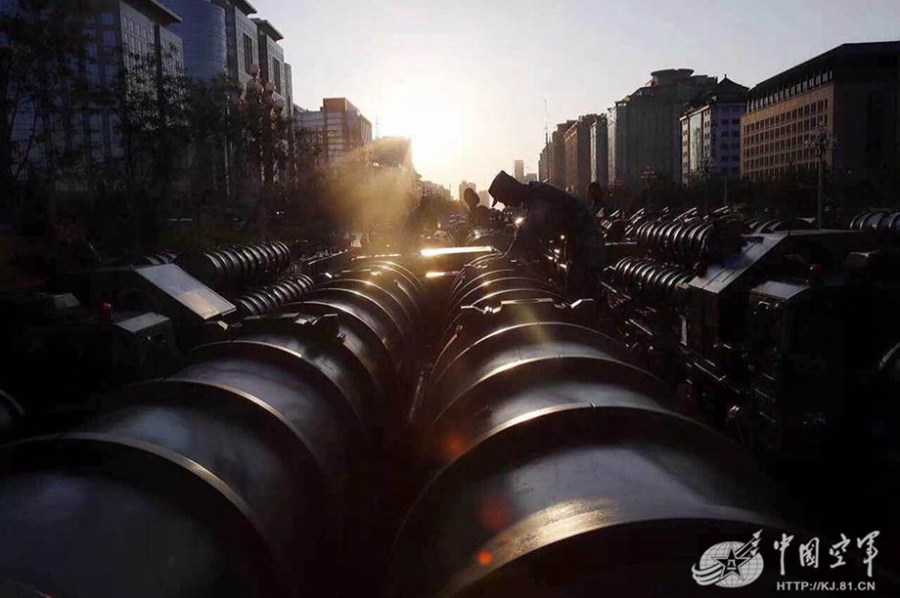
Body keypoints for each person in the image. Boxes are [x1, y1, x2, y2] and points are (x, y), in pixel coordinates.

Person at [489, 170, 605, 295]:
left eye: (503, 199)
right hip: (577, 240)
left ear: (509, 191)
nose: (506, 204)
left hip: (585, 241)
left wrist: (507, 257)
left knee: (581, 289)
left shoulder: (538, 196)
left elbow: (528, 230)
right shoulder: (535, 192)